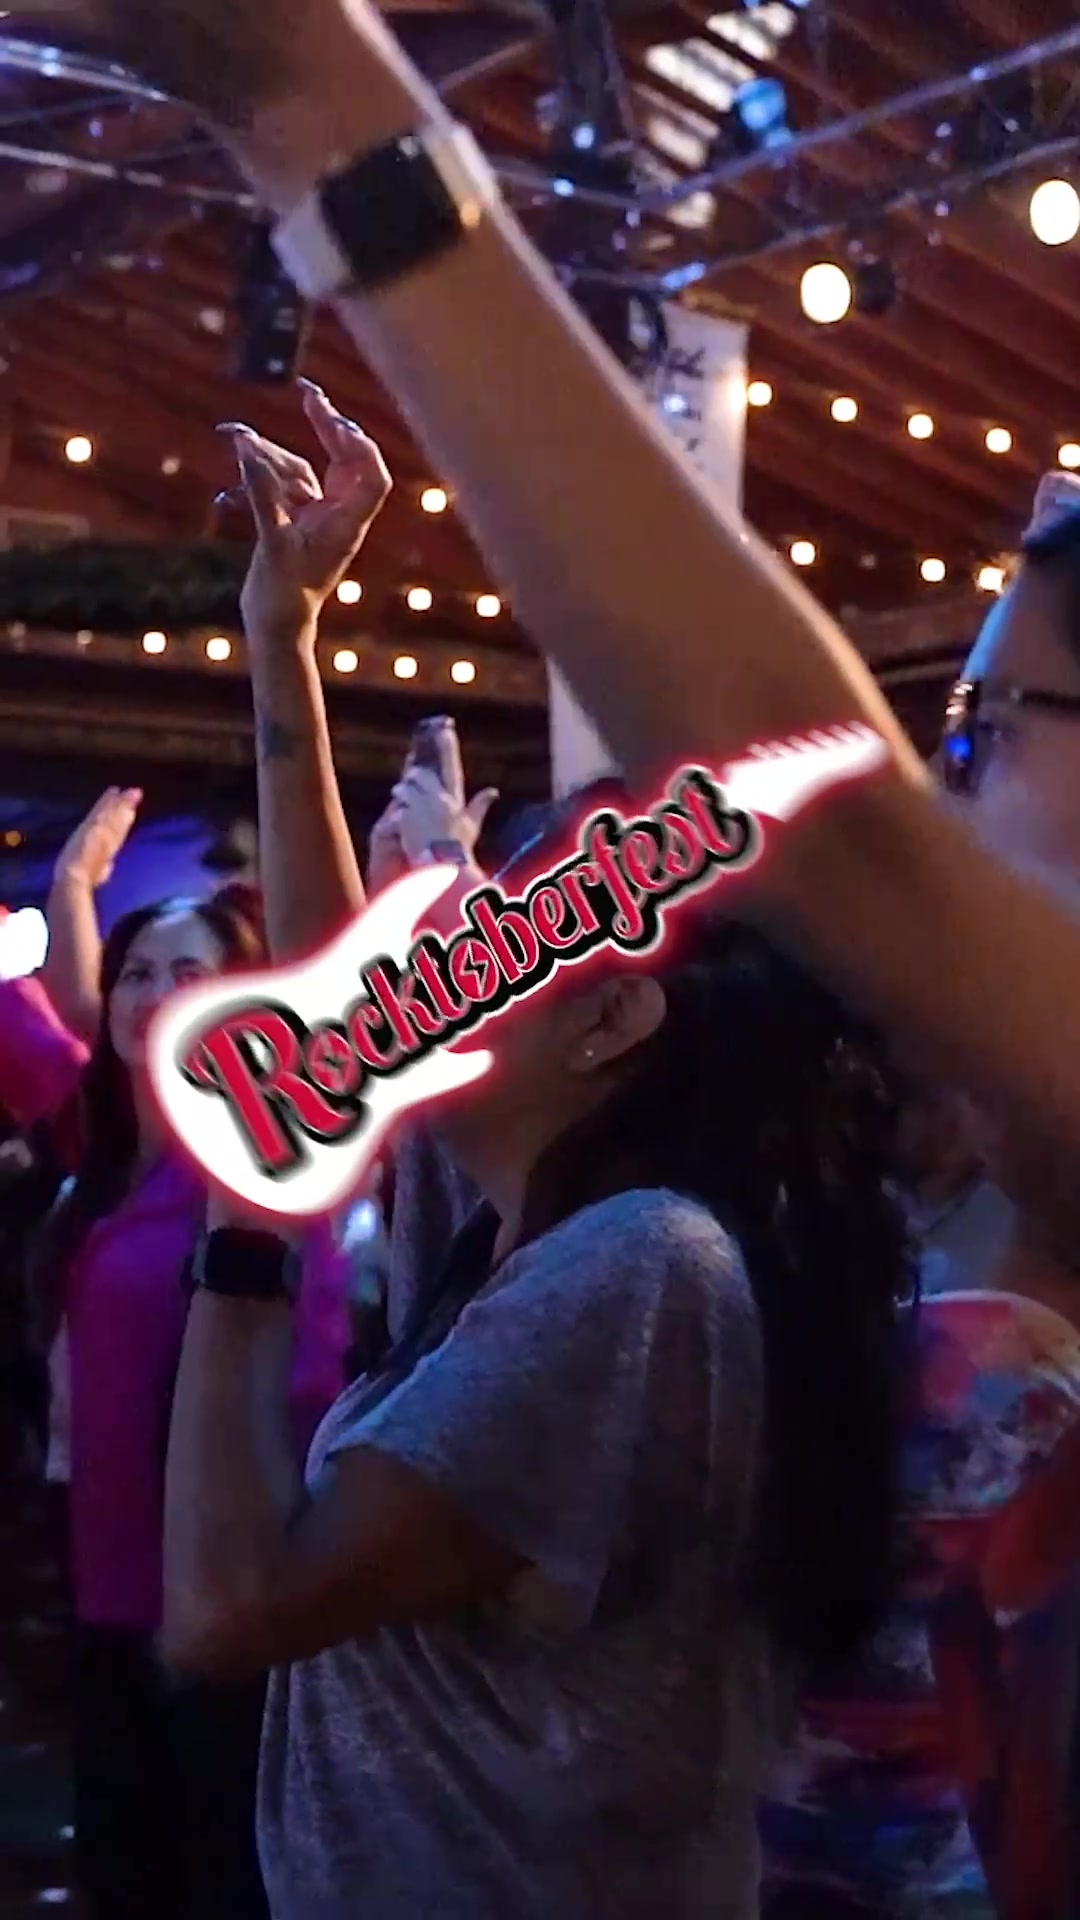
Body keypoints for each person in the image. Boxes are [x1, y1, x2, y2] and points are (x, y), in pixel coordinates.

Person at [0, 825, 350, 1920]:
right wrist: (69, 883)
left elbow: (305, 1384)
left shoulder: (267, 1160)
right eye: (138, 973)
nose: (156, 996)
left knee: (224, 1874)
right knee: (128, 1866)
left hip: (224, 1591)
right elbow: (23, 1026)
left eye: (189, 973)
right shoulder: (103, 1161)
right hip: (106, 1586)